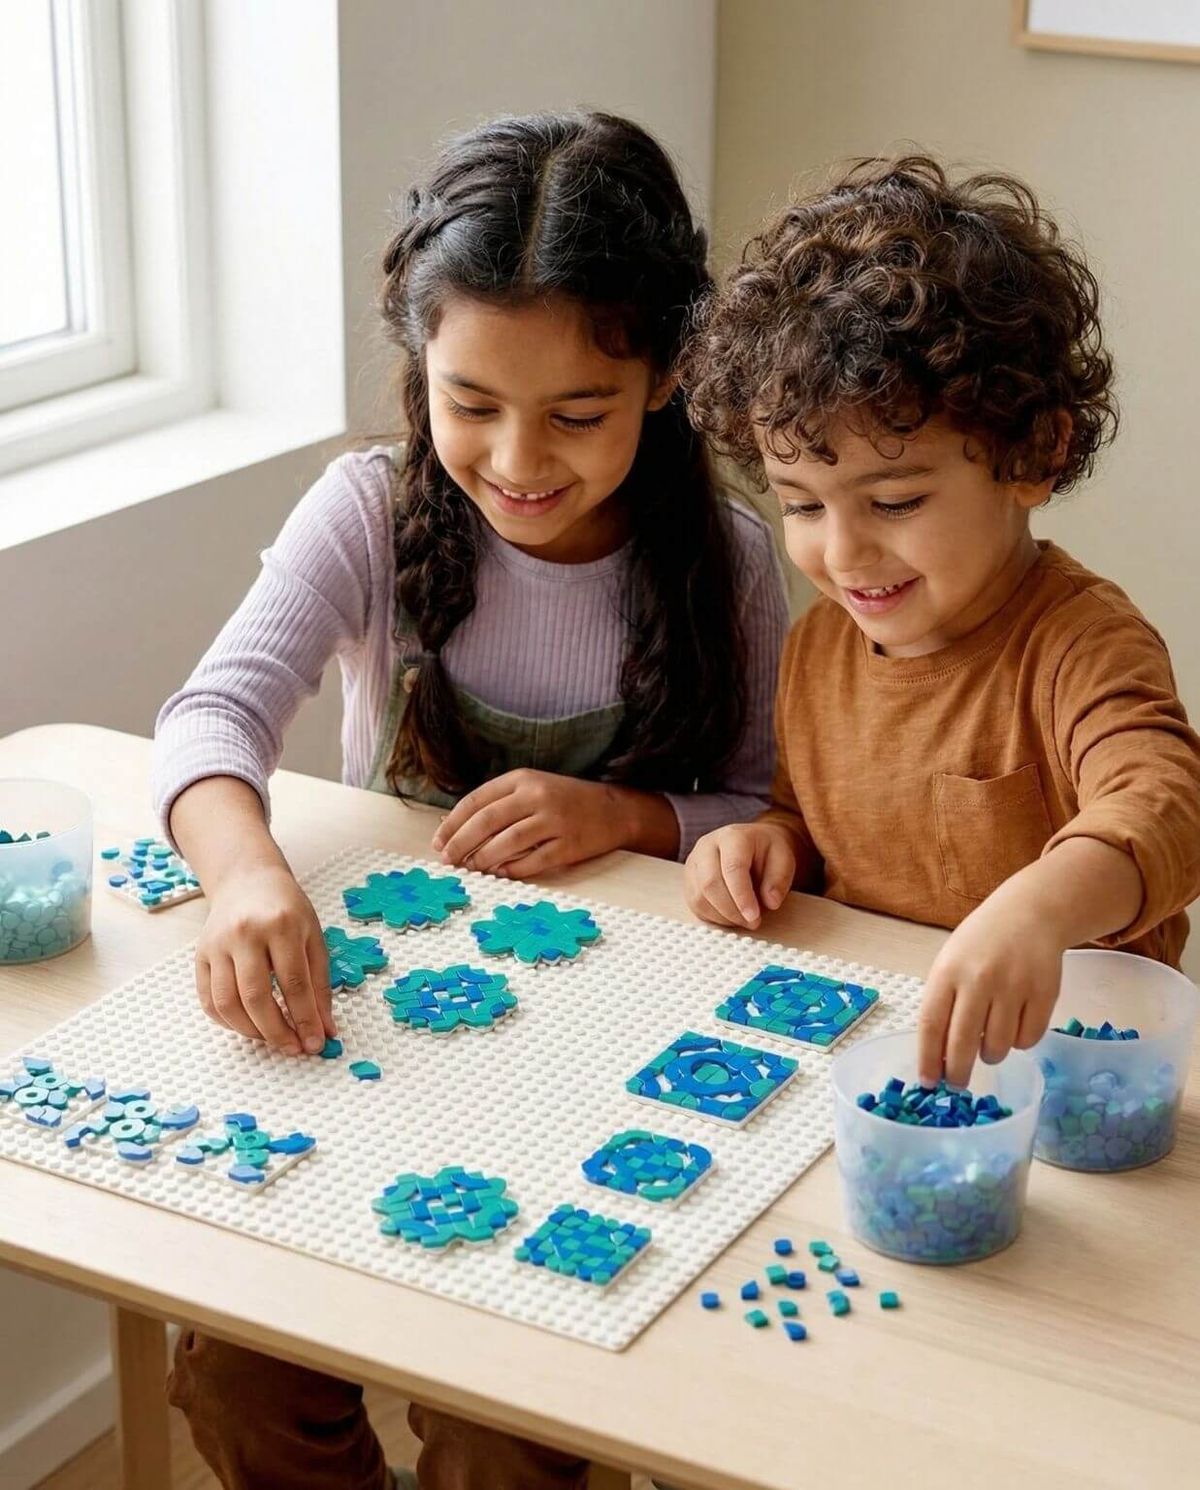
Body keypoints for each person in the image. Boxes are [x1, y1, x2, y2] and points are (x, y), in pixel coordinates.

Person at [155, 110, 787, 1490]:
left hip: (611, 1070)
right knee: (234, 1376)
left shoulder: (729, 556)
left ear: (667, 373)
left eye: (579, 413)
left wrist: (628, 817)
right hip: (380, 1051)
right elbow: (208, 720)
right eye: (471, 403)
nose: (517, 458)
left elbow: (759, 802)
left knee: (511, 1435)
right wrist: (249, 875)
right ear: (420, 364)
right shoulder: (367, 513)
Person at [683, 154, 1200, 1090]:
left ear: (1033, 455)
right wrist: (771, 846)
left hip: (1077, 1069)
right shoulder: (822, 644)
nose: (842, 557)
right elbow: (815, 821)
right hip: (889, 1052)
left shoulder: (1080, 642)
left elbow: (1168, 809)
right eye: (803, 506)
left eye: (895, 502)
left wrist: (1038, 909)